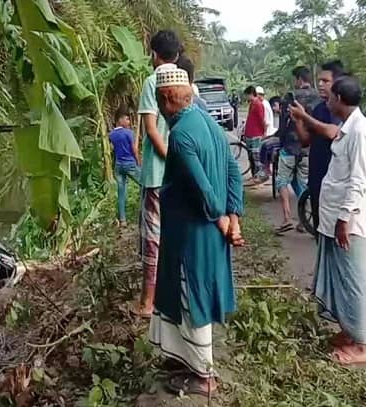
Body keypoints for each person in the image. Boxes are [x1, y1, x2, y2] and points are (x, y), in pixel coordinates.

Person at [148, 65, 244, 396]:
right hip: (205, 231)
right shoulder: (206, 123)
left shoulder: (181, 135)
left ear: (164, 99)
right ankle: (183, 360)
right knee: (188, 295)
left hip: (193, 233)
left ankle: (204, 377)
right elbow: (233, 168)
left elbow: (202, 188)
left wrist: (220, 215)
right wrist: (235, 216)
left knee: (193, 299)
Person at [311, 76, 366, 365]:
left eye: (330, 96)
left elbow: (359, 181)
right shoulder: (347, 129)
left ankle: (361, 344)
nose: (326, 100)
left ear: (338, 98)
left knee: (354, 281)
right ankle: (348, 332)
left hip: (351, 222)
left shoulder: (362, 132)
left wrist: (344, 219)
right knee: (340, 277)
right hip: (336, 218)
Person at [133, 29, 181, 317]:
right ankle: (171, 295)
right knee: (175, 234)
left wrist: (170, 159)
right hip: (179, 175)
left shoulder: (153, 81)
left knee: (153, 237)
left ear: (154, 54)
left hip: (157, 174)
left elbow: (151, 130)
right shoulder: (186, 81)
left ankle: (147, 302)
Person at [294, 60, 346, 231]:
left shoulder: (341, 109)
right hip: (317, 179)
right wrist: (299, 121)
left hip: (335, 183)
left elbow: (333, 133)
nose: (321, 85)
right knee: (319, 231)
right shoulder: (319, 109)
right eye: (320, 81)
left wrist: (305, 117)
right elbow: (305, 141)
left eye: (326, 81)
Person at [274, 66, 320, 234]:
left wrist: (280, 140)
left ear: (299, 79)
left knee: (282, 181)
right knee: (302, 183)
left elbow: (284, 122)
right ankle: (304, 219)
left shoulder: (291, 97)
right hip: (308, 147)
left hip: (290, 146)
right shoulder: (319, 97)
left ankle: (287, 218)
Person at [109, 112, 141, 226]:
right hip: (130, 164)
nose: (129, 122)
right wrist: (138, 162)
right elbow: (134, 150)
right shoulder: (129, 133)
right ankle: (145, 210)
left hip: (118, 165)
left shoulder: (111, 134)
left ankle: (123, 220)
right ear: (120, 120)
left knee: (121, 192)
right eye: (127, 119)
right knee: (145, 185)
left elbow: (114, 149)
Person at [243, 85, 266, 180]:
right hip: (249, 134)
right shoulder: (252, 104)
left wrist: (263, 132)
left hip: (256, 134)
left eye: (247, 95)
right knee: (251, 157)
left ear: (251, 94)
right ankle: (255, 175)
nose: (246, 97)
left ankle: (260, 175)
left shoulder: (258, 105)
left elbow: (262, 120)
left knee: (256, 157)